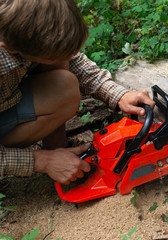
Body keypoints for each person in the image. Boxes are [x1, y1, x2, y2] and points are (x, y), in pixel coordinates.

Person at [0, 0, 155, 185]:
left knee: (63, 82)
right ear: (9, 48)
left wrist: (117, 94)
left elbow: (70, 59)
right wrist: (41, 161)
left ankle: (59, 149)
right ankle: (54, 160)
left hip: (8, 101)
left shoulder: (25, 18)